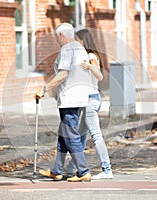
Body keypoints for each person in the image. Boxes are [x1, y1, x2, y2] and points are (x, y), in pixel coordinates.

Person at [34, 23, 93, 182]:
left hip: (69, 100)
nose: (57, 41)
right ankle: (57, 170)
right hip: (79, 98)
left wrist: (44, 89)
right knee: (64, 135)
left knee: (71, 136)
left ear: (61, 35)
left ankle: (83, 171)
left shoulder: (67, 49)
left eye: (57, 37)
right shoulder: (80, 49)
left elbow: (62, 74)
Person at [66, 29, 113, 180]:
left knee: (96, 135)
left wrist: (89, 66)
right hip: (89, 99)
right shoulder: (86, 55)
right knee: (80, 136)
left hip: (90, 101)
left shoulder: (90, 56)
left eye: (77, 40)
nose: (75, 42)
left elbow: (99, 76)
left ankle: (107, 170)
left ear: (83, 41)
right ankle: (72, 168)